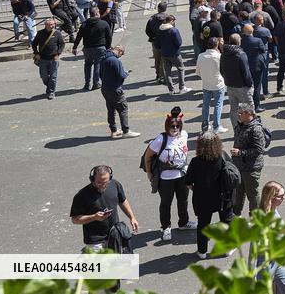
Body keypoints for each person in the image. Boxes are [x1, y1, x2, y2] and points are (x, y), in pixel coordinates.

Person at [143, 110, 195, 242]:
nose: (175, 129)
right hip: (166, 179)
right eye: (172, 126)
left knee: (183, 200)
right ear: (167, 126)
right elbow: (148, 156)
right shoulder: (160, 139)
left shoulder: (184, 135)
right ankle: (166, 227)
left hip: (182, 175)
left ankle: (184, 222)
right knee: (166, 203)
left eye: (178, 126)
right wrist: (149, 172)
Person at [184, 131, 235, 259]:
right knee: (226, 222)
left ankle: (202, 251)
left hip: (202, 198)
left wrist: (196, 189)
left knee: (203, 224)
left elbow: (188, 182)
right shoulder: (221, 158)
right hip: (222, 197)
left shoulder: (195, 161)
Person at [70, 165, 139, 251]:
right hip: (95, 240)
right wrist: (94, 217)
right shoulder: (81, 196)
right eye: (99, 182)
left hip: (115, 234)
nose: (103, 185)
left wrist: (132, 217)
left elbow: (122, 201)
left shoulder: (115, 184)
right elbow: (75, 219)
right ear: (92, 179)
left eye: (106, 182)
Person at [231, 104, 266, 216]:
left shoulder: (256, 129)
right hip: (239, 165)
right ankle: (236, 214)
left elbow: (259, 149)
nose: (238, 115)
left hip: (251, 167)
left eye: (241, 113)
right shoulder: (241, 125)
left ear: (249, 114)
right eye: (238, 113)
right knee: (239, 191)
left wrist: (240, 153)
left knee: (252, 193)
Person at [98, 46, 140, 139]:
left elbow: (100, 74)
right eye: (122, 54)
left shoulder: (104, 58)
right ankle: (126, 131)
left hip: (105, 88)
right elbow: (121, 75)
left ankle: (114, 131)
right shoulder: (115, 60)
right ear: (120, 51)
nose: (121, 56)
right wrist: (126, 73)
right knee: (123, 109)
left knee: (111, 110)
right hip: (115, 89)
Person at [72, 6, 112, 91]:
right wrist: (108, 47)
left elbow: (79, 36)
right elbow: (109, 37)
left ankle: (87, 84)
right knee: (98, 64)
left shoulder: (84, 24)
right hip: (100, 47)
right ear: (97, 13)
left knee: (87, 65)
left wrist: (75, 47)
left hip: (87, 48)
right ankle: (96, 83)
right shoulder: (103, 23)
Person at [221, 33, 253, 130]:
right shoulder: (241, 54)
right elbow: (246, 72)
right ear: (239, 41)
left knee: (233, 109)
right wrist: (250, 84)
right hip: (242, 86)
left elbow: (221, 70)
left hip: (230, 86)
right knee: (248, 109)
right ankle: (249, 129)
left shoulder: (224, 53)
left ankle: (236, 129)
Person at [197, 37, 228, 134]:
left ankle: (205, 126)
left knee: (205, 105)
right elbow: (224, 71)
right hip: (218, 84)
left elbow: (198, 72)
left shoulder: (201, 56)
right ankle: (216, 126)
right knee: (218, 105)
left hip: (206, 84)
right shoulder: (219, 56)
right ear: (217, 45)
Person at [31, 17, 65, 99]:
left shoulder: (57, 33)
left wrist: (58, 54)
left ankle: (51, 92)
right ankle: (49, 86)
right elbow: (34, 44)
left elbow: (62, 44)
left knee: (53, 77)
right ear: (45, 25)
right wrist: (36, 53)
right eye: (50, 25)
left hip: (54, 58)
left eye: (53, 24)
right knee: (44, 76)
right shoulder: (40, 33)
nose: (52, 26)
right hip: (43, 58)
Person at [159, 15, 190, 95]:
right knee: (181, 69)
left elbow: (157, 43)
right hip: (174, 54)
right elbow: (179, 42)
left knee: (168, 72)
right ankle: (182, 87)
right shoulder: (174, 30)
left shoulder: (160, 30)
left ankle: (171, 90)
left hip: (164, 54)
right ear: (172, 21)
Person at [145, 2, 170, 85]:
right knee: (164, 60)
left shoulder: (152, 19)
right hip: (166, 42)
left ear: (158, 8)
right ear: (165, 9)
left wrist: (153, 37)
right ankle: (163, 77)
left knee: (157, 59)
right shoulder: (168, 18)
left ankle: (158, 75)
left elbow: (147, 31)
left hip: (155, 42)